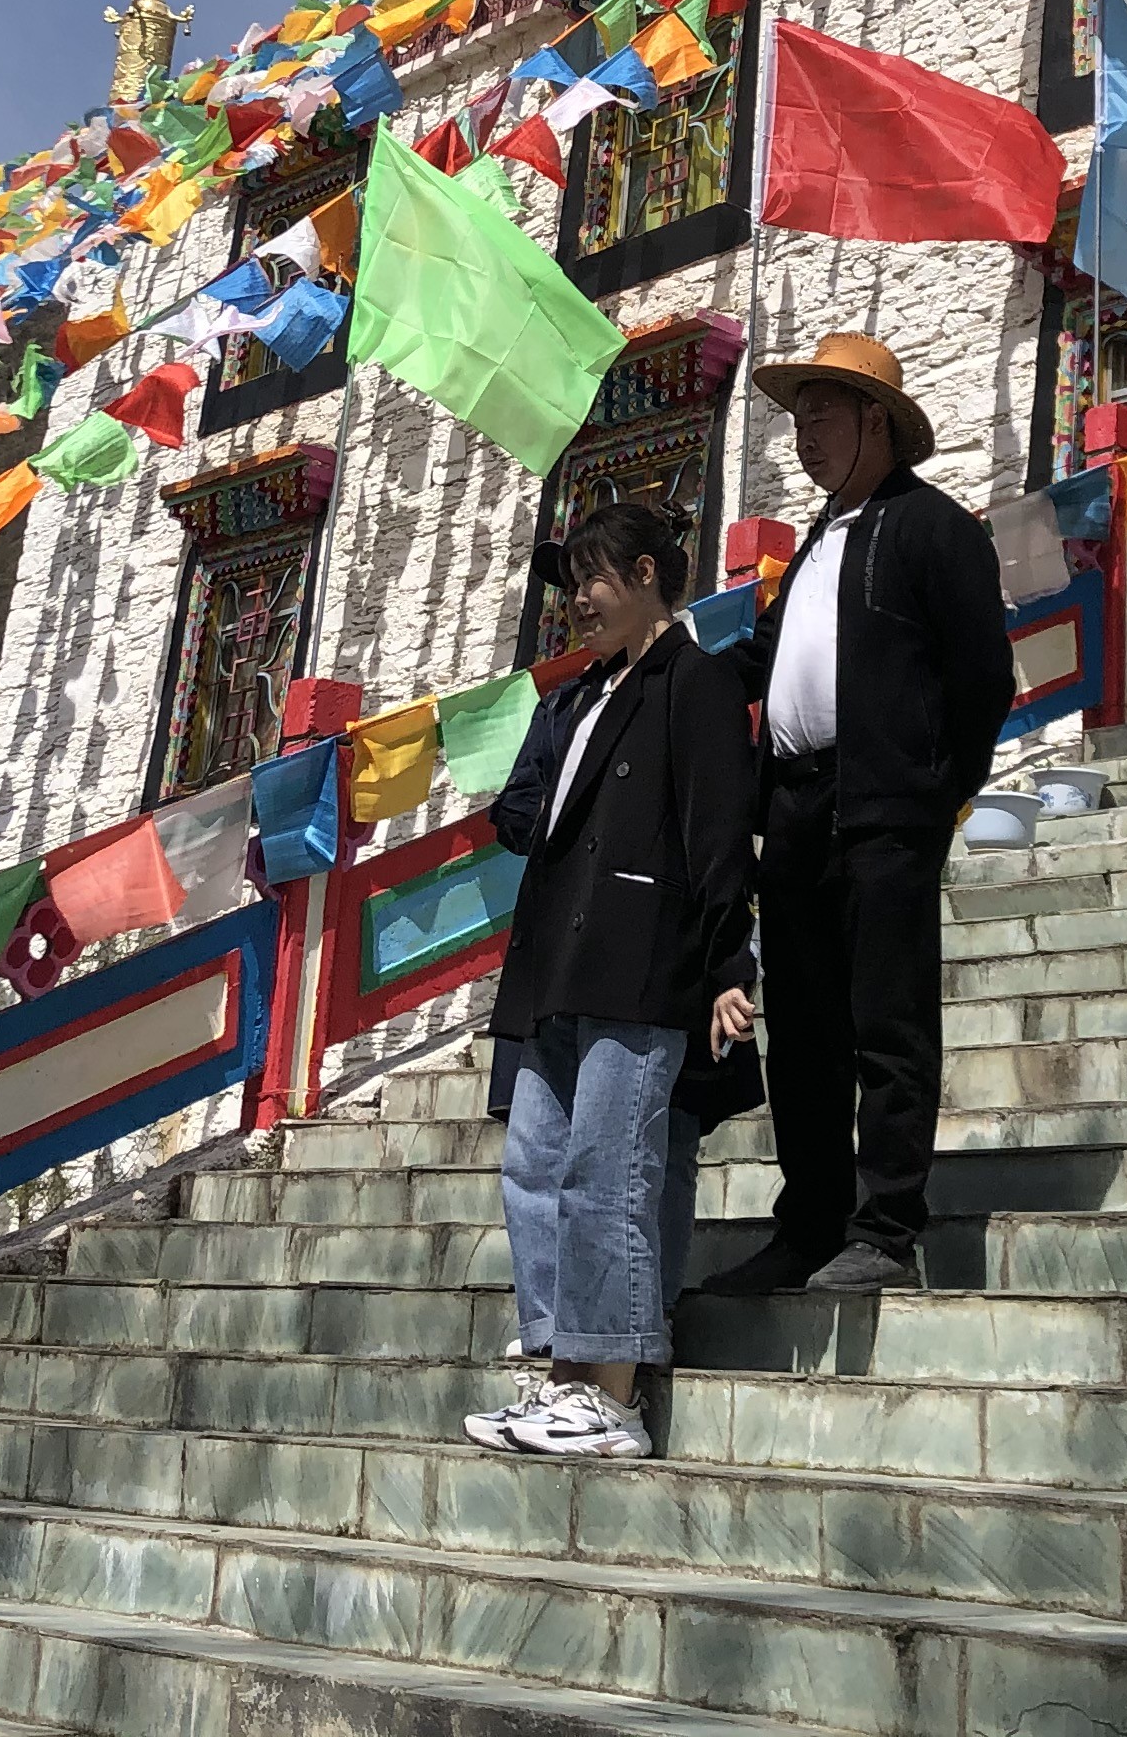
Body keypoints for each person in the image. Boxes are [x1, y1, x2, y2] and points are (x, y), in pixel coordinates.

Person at [699, 332, 1012, 1297]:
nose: (806, 437)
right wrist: (673, 682)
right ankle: (810, 1221)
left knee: (887, 1021)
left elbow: (982, 681)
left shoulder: (935, 529)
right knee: (801, 1029)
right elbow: (760, 660)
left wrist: (931, 787)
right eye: (797, 419)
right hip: (792, 809)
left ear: (878, 420)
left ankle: (886, 1227)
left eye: (825, 414)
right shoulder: (812, 548)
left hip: (886, 806)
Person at [460, 500, 755, 1459]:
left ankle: (613, 1393)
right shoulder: (576, 699)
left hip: (641, 962)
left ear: (640, 575)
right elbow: (530, 812)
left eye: (590, 580)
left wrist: (727, 965)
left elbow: (717, 836)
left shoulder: (694, 683)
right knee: (535, 1165)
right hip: (554, 962)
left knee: (609, 1171)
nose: (576, 602)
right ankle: (560, 1373)